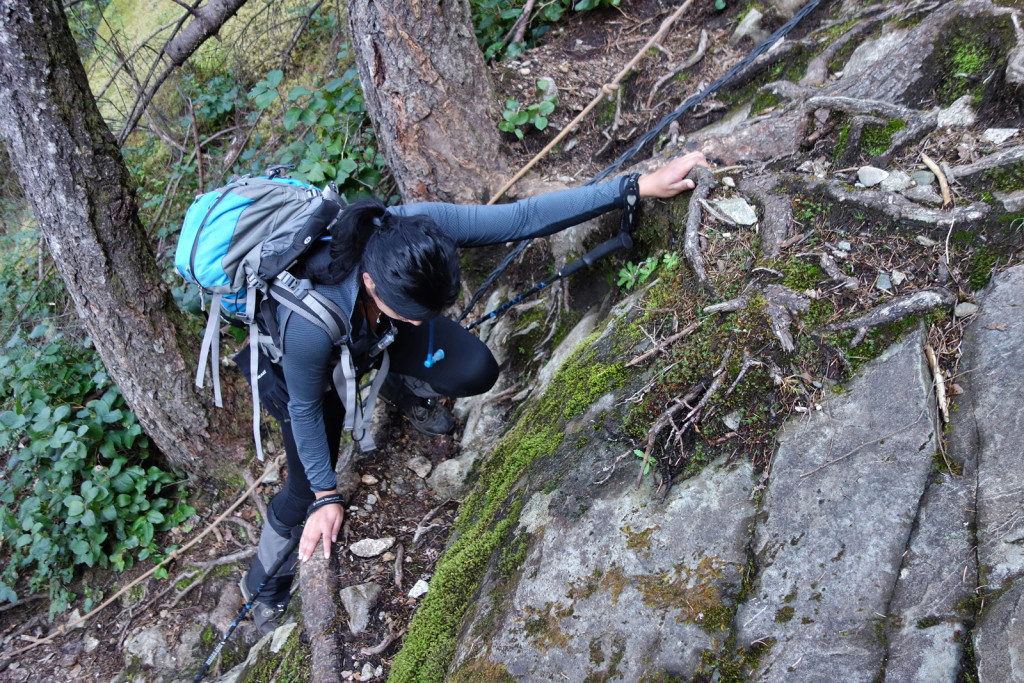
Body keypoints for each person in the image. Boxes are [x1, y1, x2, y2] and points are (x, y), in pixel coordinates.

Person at [237, 151, 709, 634]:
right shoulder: (310, 325)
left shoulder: (414, 229)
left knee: (474, 367)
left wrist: (636, 186)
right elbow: (304, 406)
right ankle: (262, 590)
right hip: (299, 372)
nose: (423, 323)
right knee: (301, 489)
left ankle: (394, 384)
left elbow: (522, 217)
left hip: (373, 332)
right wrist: (324, 495)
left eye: (425, 312)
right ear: (369, 282)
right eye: (411, 312)